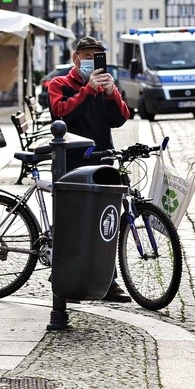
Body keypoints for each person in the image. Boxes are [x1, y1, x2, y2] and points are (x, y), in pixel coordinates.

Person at [48, 35, 132, 303]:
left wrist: (111, 94)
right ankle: (69, 277)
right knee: (75, 222)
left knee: (107, 221)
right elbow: (61, 114)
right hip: (73, 162)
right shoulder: (60, 83)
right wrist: (87, 90)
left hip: (103, 158)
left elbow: (120, 118)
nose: (92, 62)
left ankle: (108, 280)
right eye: (87, 56)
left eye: (97, 56)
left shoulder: (104, 85)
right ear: (76, 59)